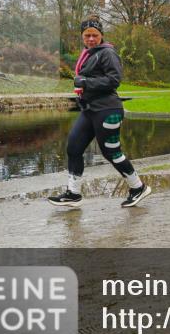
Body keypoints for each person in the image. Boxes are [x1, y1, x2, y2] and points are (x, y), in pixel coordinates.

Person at [49, 17, 151, 208]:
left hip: (108, 110)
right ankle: (73, 194)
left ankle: (138, 187)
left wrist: (86, 83)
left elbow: (114, 80)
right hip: (89, 110)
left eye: (95, 35)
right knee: (73, 147)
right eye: (87, 35)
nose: (91, 39)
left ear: (101, 35)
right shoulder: (89, 53)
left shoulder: (107, 53)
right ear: (82, 36)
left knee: (111, 152)